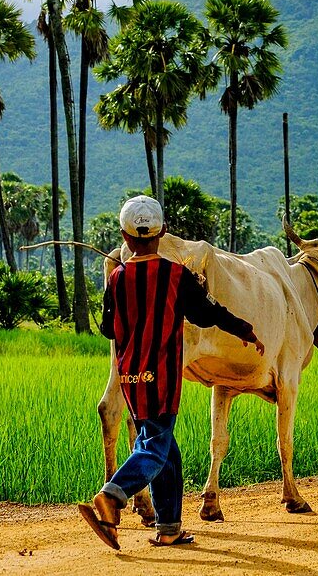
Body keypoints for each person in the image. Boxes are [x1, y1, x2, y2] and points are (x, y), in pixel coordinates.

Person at [78, 195, 264, 550]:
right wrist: (244, 329)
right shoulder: (176, 275)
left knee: (165, 448)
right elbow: (208, 314)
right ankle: (112, 496)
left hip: (131, 378)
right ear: (162, 232)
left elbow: (108, 330)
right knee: (154, 446)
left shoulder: (117, 278)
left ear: (125, 236)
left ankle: (169, 528)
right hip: (161, 376)